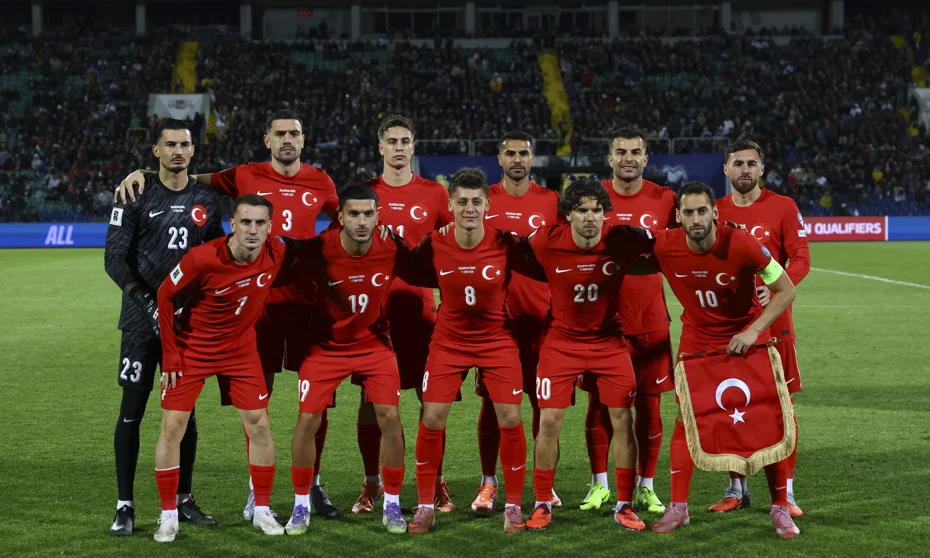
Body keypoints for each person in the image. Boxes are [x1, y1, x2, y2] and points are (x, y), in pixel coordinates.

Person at [116, 109, 342, 520]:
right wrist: (144, 173)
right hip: (255, 308)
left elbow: (344, 220)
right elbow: (188, 178)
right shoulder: (242, 175)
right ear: (267, 139)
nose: (288, 139)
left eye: (295, 133)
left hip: (307, 303)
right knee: (257, 403)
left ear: (304, 140)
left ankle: (313, 484)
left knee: (315, 401)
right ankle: (257, 495)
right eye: (280, 134)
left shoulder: (321, 181)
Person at [647, 181, 800, 539]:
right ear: (678, 216)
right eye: (688, 212)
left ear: (715, 212)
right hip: (698, 343)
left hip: (747, 341)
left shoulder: (743, 243)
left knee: (769, 420)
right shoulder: (664, 244)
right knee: (686, 422)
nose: (696, 218)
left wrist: (752, 330)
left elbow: (785, 290)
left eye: (702, 211)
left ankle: (779, 508)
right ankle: (678, 508)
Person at [153, 194, 298, 542]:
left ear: (270, 227)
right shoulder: (203, 258)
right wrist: (171, 356)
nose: (252, 229)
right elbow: (164, 294)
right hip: (194, 350)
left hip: (241, 349)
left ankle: (262, 509)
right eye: (245, 222)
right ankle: (168, 514)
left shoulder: (277, 253)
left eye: (260, 223)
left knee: (259, 425)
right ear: (232, 224)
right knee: (173, 427)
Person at [103, 118, 223, 536]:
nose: (178, 150)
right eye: (169, 144)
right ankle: (124, 504)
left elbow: (215, 258)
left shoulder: (208, 199)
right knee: (131, 414)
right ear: (155, 151)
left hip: (186, 326)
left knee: (183, 418)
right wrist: (148, 303)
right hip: (139, 325)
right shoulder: (134, 194)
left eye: (185, 144)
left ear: (193, 151)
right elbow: (114, 259)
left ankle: (184, 499)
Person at [522, 179, 655, 532]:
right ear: (567, 215)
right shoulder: (546, 239)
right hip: (560, 343)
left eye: (597, 210)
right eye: (582, 210)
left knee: (623, 422)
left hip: (609, 343)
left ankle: (625, 505)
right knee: (549, 422)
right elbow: (507, 251)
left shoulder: (623, 237)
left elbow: (670, 243)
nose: (590, 217)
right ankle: (542, 501)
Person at [406, 169, 535, 534]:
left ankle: (512, 506)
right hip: (449, 341)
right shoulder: (435, 242)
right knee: (432, 418)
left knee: (510, 419)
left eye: (476, 202)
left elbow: (543, 265)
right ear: (451, 205)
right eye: (461, 202)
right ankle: (424, 505)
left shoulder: (506, 243)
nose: (468, 208)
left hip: (497, 339)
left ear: (486, 205)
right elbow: (410, 267)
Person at [284, 184, 411, 535]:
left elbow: (428, 263)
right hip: (325, 348)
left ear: (378, 216)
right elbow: (278, 264)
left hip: (374, 345)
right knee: (307, 420)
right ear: (339, 217)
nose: (361, 221)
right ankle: (300, 506)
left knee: (389, 416)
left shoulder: (393, 248)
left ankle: (392, 504)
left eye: (368, 214)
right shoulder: (317, 250)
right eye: (353, 213)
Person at [352, 114, 455, 514]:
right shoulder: (363, 193)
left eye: (405, 141)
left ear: (414, 147)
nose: (398, 147)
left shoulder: (434, 194)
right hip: (372, 317)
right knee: (369, 402)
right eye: (391, 141)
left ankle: (437, 484)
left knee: (431, 402)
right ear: (380, 147)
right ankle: (371, 483)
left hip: (421, 314)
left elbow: (452, 248)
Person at [579, 126, 678, 514]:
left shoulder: (665, 199)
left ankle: (646, 486)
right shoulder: (594, 197)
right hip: (602, 320)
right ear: (610, 158)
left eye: (635, 152)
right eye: (621, 152)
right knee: (598, 406)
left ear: (646, 158)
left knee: (650, 408)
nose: (628, 159)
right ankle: (599, 484)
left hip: (651, 318)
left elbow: (680, 250)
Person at [715, 139, 810, 518]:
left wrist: (775, 285)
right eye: (737, 163)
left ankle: (785, 493)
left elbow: (801, 258)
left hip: (774, 323)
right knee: (727, 405)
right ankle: (736, 488)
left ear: (762, 169)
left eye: (752, 163)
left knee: (782, 409)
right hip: (726, 325)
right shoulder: (713, 210)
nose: (745, 170)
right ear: (726, 169)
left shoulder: (783, 207)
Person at [472, 131, 563, 512]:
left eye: (524, 153)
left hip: (544, 320)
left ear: (533, 157)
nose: (517, 159)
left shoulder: (550, 201)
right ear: (499, 158)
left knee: (545, 406)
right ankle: (488, 482)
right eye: (510, 153)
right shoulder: (484, 198)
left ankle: (547, 484)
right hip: (497, 325)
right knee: (493, 407)